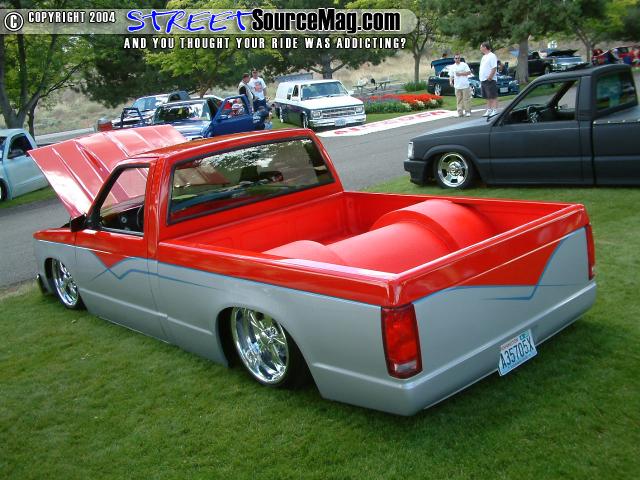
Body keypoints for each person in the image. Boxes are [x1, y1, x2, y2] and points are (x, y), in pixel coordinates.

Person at [479, 42, 498, 117]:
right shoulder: (484, 57)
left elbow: (494, 67)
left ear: (485, 47)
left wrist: (490, 77)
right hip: (483, 79)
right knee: (487, 96)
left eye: (481, 47)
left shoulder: (492, 56)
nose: (480, 49)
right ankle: (489, 110)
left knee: (492, 95)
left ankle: (494, 110)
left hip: (490, 79)